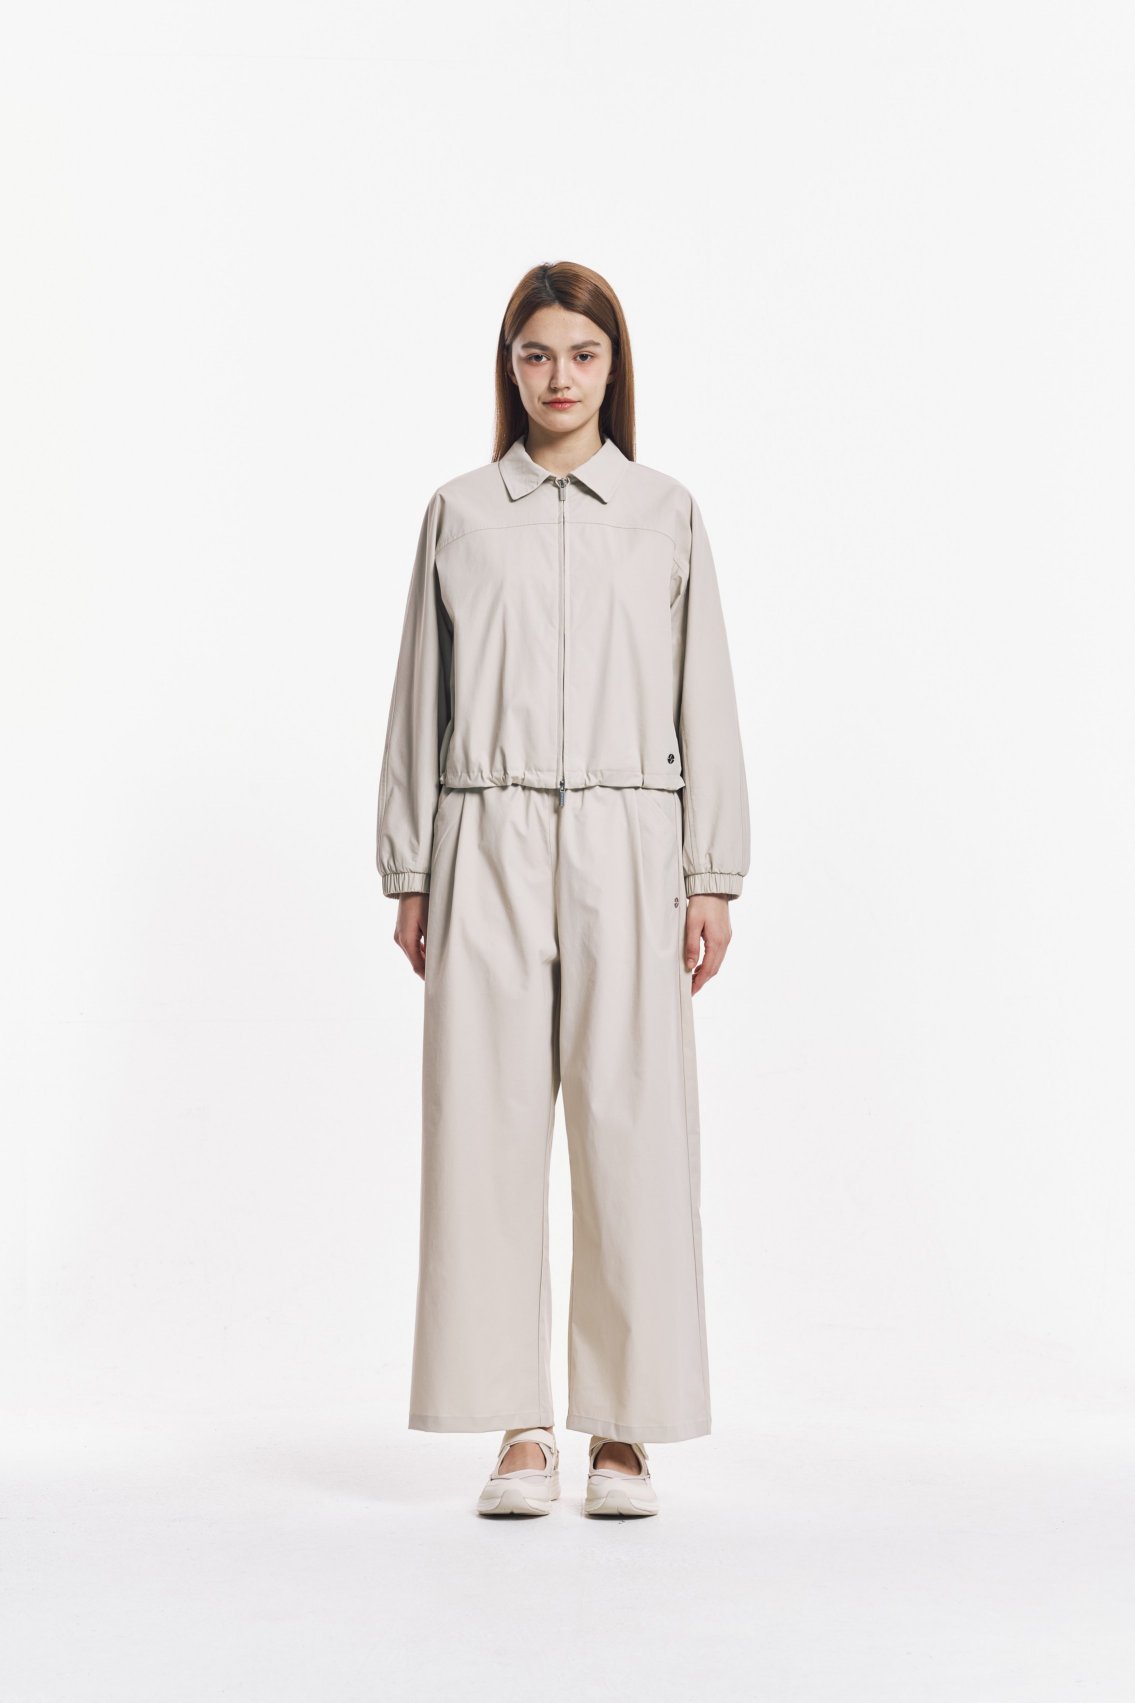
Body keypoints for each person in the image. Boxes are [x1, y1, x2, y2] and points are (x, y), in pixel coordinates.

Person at [376, 260, 750, 1518]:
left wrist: (710, 873)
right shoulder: (458, 512)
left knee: (632, 1126)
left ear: (612, 367)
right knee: (480, 1131)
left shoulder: (664, 513)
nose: (558, 377)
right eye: (536, 353)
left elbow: (706, 697)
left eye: (582, 355)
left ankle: (623, 1432)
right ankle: (519, 1429)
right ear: (510, 365)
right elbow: (418, 700)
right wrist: (411, 866)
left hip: (630, 841)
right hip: (482, 836)